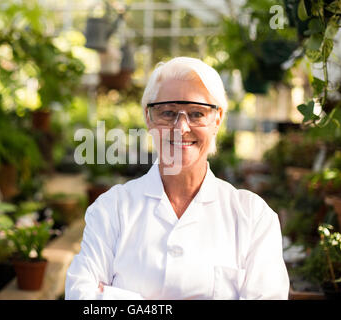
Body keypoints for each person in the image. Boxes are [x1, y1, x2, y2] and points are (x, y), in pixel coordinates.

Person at [65, 57, 289, 300]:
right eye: (168, 112)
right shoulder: (112, 209)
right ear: (148, 117)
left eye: (196, 113)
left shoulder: (253, 217)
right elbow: (82, 296)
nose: (181, 128)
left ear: (217, 119)